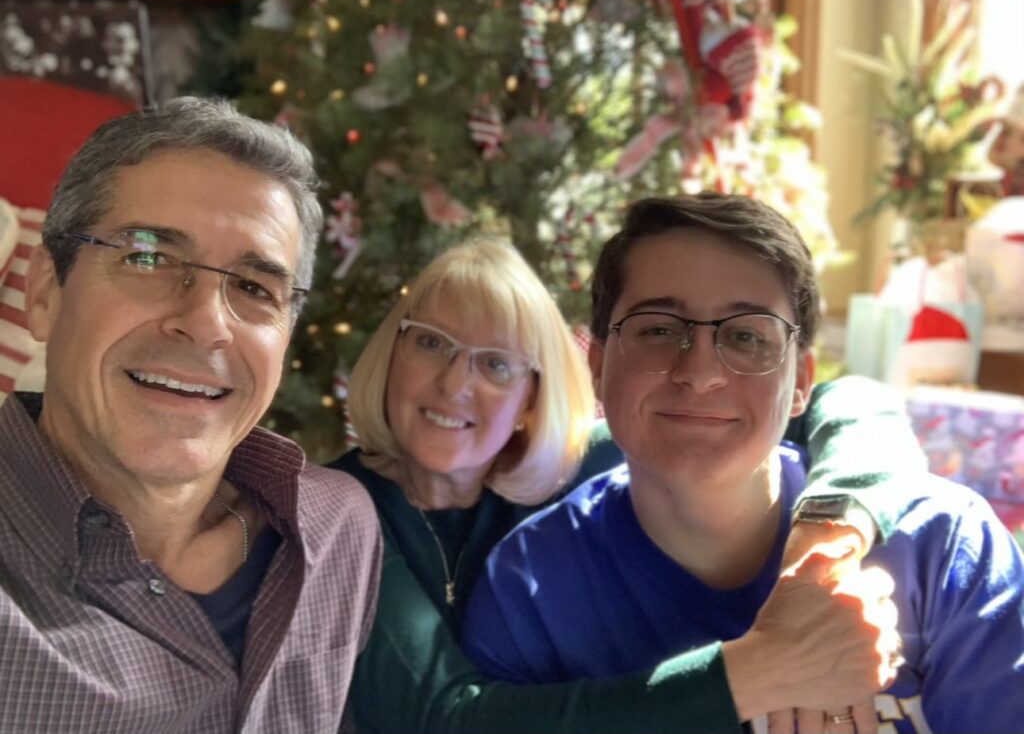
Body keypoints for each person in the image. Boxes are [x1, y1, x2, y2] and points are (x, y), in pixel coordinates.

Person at [462, 194, 1024, 733]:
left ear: (801, 383)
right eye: (659, 329)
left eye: (748, 336)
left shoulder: (943, 551)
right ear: (600, 366)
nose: (701, 373)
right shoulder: (529, 595)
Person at [333, 236, 928, 733]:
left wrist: (830, 527)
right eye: (432, 342)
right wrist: (752, 672)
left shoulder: (564, 463)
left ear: (531, 397)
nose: (455, 383)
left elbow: (846, 403)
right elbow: (446, 722)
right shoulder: (336, 511)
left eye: (496, 364)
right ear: (393, 352)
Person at [0, 98, 382, 733]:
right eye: (147, 256)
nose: (207, 323)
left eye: (256, 288)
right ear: (45, 293)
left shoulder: (338, 529)